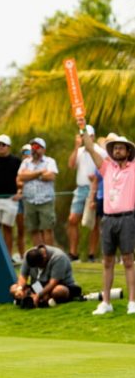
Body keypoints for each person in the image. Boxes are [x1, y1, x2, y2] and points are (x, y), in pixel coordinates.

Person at [81, 130, 135, 315]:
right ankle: (106, 302)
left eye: (122, 148)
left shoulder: (133, 168)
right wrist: (82, 128)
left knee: (128, 260)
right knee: (107, 262)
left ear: (128, 152)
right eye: (115, 148)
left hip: (127, 218)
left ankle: (132, 302)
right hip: (108, 219)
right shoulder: (107, 167)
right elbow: (89, 147)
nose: (118, 151)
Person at [66, 125, 104, 262]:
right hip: (80, 188)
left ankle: (91, 254)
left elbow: (106, 169)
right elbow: (71, 165)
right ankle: (73, 253)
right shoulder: (80, 151)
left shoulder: (100, 151)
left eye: (87, 135)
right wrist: (76, 147)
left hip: (95, 189)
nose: (84, 138)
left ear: (92, 137)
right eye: (82, 135)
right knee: (72, 219)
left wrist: (97, 178)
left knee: (93, 223)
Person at [10, 245, 81, 308]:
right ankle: (42, 300)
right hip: (38, 286)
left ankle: (39, 299)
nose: (38, 268)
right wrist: (20, 289)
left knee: (58, 291)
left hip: (61, 285)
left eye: (39, 266)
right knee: (13, 288)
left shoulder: (58, 257)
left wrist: (38, 295)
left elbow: (53, 282)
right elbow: (23, 276)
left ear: (44, 258)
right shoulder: (28, 255)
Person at [17, 137, 58, 246]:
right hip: (30, 201)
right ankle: (39, 256)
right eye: (32, 147)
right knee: (33, 229)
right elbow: (21, 176)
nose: (34, 149)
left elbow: (51, 176)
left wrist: (30, 175)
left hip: (46, 200)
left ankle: (49, 255)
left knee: (47, 229)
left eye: (37, 147)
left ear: (43, 149)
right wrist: (40, 172)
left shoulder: (50, 161)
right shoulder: (26, 162)